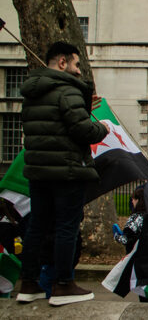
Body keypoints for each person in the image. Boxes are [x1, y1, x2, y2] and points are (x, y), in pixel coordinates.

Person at [17, 42, 110, 306]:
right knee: (66, 227)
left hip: (38, 170)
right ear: (62, 63)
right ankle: (63, 284)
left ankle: (28, 283)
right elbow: (82, 131)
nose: (79, 71)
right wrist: (101, 127)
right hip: (67, 170)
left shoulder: (33, 93)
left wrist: (82, 109)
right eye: (76, 64)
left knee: (37, 225)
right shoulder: (66, 89)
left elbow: (56, 124)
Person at [112, 187, 145, 253]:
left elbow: (127, 240)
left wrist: (116, 236)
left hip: (136, 256)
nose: (132, 201)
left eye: (133, 199)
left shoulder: (135, 218)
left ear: (138, 200)